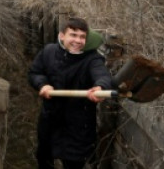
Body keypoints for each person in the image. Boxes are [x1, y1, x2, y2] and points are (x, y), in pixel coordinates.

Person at [28, 17, 113, 169]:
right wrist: (43, 84)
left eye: (82, 37)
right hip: (50, 119)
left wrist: (100, 87)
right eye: (73, 35)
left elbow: (102, 75)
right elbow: (35, 72)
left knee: (74, 162)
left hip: (79, 124)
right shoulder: (49, 52)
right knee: (44, 158)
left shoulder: (92, 59)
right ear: (62, 36)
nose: (78, 40)